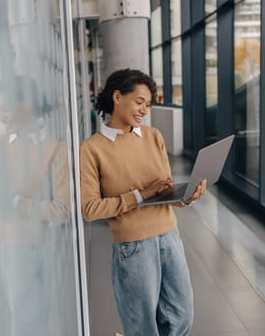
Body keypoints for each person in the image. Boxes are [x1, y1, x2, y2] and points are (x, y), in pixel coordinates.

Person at [79, 68, 207, 336]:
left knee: (181, 317)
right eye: (139, 102)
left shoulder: (153, 136)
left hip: (169, 236)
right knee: (142, 327)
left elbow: (165, 190)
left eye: (148, 104)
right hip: (133, 247)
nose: (144, 110)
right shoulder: (91, 149)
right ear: (117, 97)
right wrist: (139, 195)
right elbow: (90, 210)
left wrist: (187, 197)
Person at [0, 75, 69, 336]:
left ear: (26, 105)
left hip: (26, 249)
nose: (1, 117)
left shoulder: (56, 149)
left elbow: (62, 210)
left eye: (4, 109)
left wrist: (18, 201)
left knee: (27, 327)